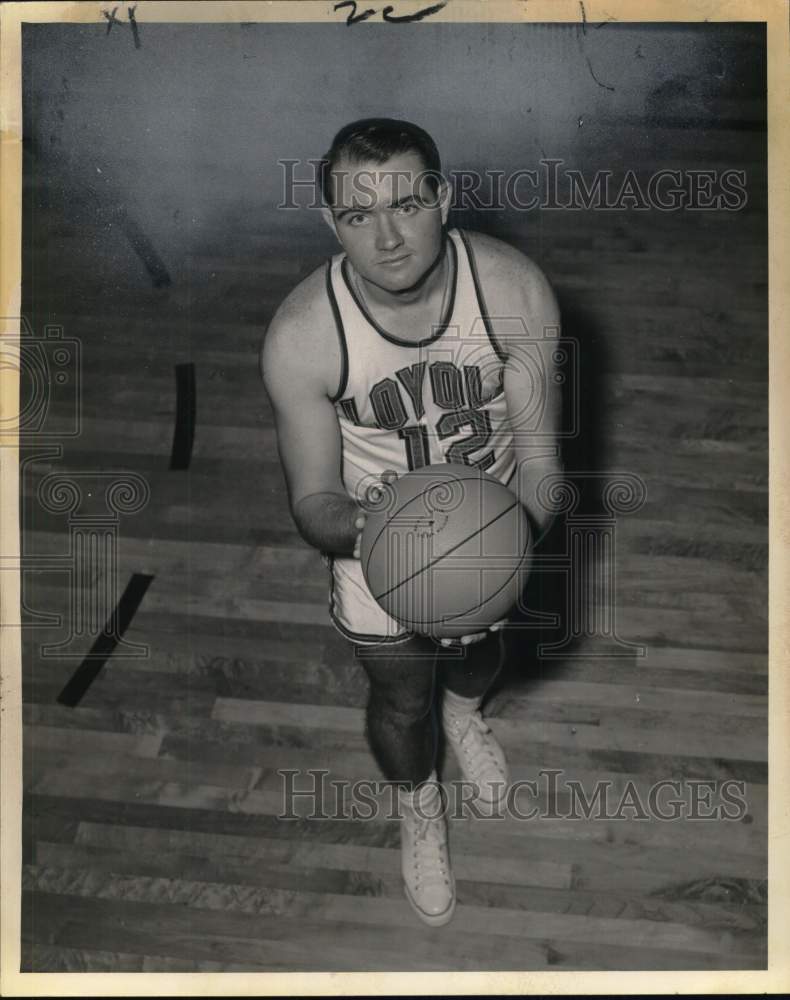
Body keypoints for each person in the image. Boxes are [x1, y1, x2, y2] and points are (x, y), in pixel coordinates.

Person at [261, 118, 562, 926]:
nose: (388, 237)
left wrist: (491, 558)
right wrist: (386, 536)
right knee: (400, 702)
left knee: (478, 660)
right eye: (359, 216)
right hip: (371, 551)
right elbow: (312, 501)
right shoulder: (302, 336)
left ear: (444, 197)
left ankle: (466, 718)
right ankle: (418, 800)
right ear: (331, 223)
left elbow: (541, 466)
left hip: (503, 529)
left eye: (406, 203)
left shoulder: (512, 290)